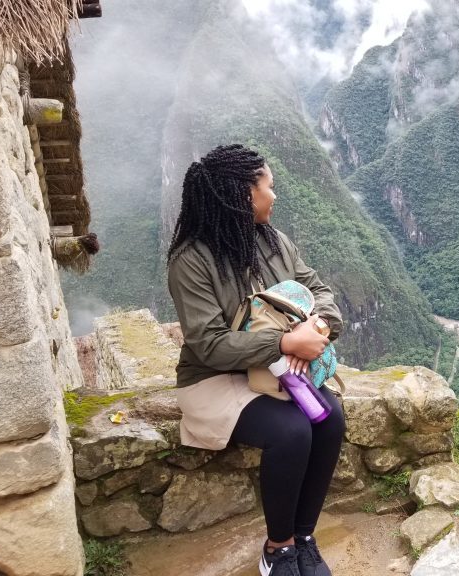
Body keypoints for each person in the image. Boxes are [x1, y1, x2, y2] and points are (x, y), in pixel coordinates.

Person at [167, 144, 345, 576]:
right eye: (269, 186)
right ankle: (278, 548)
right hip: (215, 376)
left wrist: (316, 329)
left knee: (331, 419)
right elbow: (209, 343)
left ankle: (304, 537)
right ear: (246, 194)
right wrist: (285, 345)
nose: (275, 196)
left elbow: (319, 292)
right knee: (290, 432)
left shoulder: (274, 242)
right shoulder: (191, 261)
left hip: (276, 372)